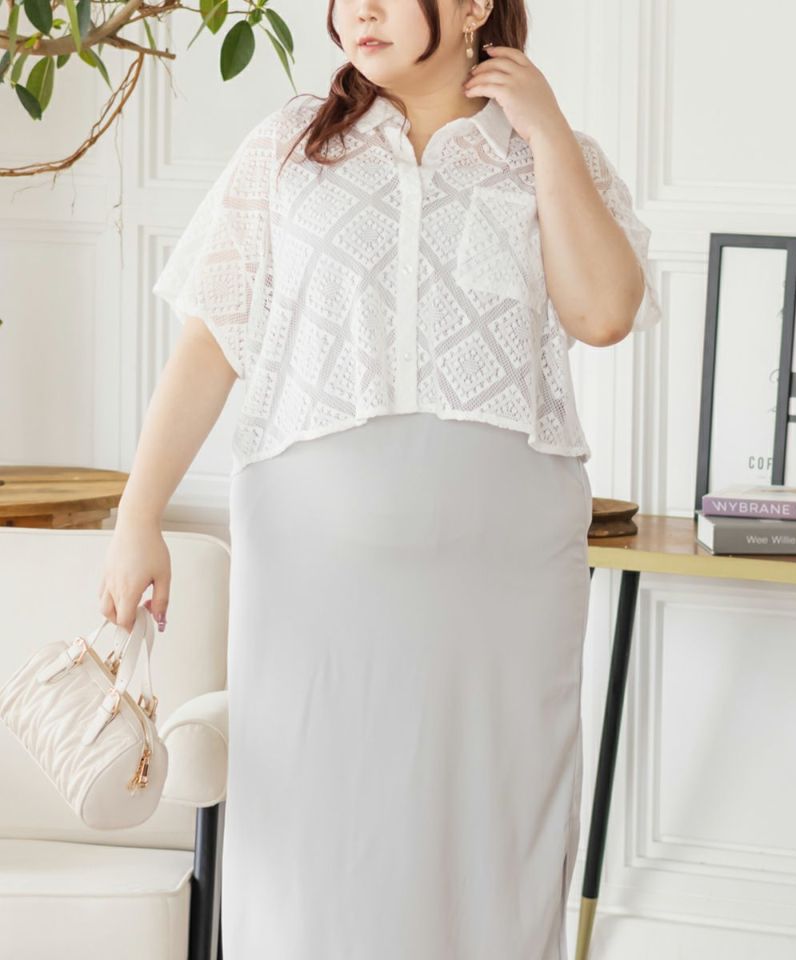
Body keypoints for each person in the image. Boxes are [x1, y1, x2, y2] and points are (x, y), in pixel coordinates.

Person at [99, 0, 661, 955]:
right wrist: (136, 514)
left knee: (488, 842)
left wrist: (549, 134)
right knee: (318, 850)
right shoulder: (290, 148)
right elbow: (211, 341)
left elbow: (604, 312)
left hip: (502, 593)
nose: (357, 10)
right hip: (314, 586)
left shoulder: (546, 151)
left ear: (474, 5)